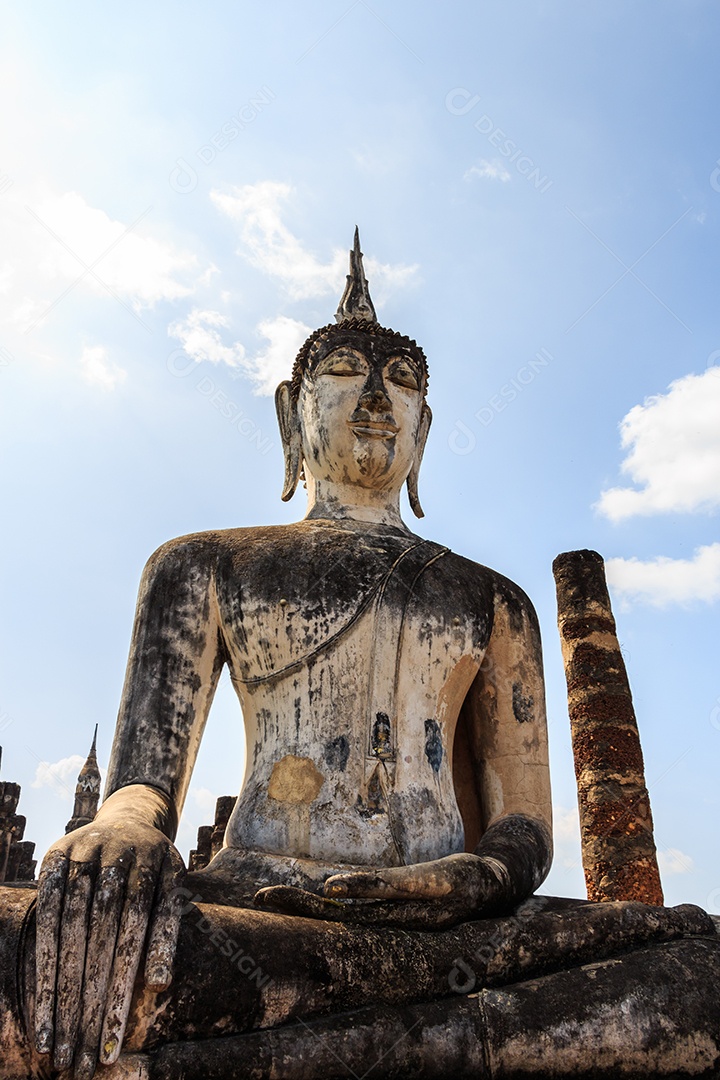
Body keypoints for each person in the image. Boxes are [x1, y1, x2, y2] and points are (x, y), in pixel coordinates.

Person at [1, 232, 716, 1080]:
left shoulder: (495, 601)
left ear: (426, 429)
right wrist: (116, 830)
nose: (379, 397)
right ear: (290, 411)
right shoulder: (202, 564)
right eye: (345, 371)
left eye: (405, 383)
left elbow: (525, 825)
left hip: (453, 929)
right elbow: (140, 788)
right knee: (40, 957)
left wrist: (472, 879)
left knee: (697, 967)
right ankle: (415, 1049)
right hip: (252, 908)